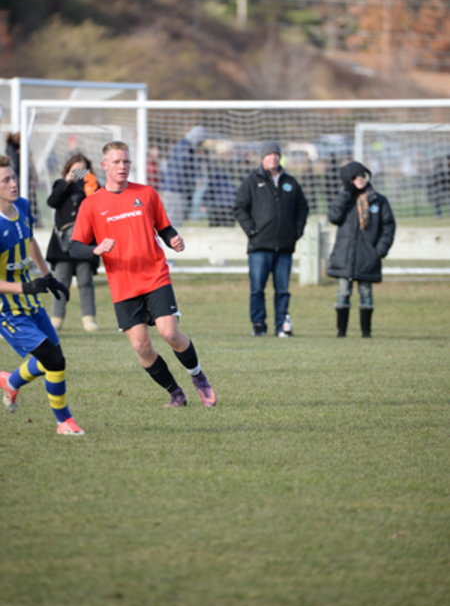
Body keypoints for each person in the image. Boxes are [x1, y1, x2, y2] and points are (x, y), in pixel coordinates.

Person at [69, 141, 216, 408]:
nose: (122, 166)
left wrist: (174, 240)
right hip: (123, 284)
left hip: (155, 276)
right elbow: (74, 247)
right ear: (104, 165)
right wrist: (95, 249)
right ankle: (175, 393)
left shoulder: (146, 193)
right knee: (141, 347)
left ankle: (198, 376)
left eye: (126, 161)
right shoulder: (92, 204)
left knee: (170, 333)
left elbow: (165, 228)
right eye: (116, 162)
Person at [0, 155, 84, 435]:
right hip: (6, 309)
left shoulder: (23, 206)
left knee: (52, 357)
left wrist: (47, 276)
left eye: (13, 177)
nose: (13, 184)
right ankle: (64, 421)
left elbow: (29, 239)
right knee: (54, 360)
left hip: (30, 300)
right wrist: (24, 287)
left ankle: (11, 382)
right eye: (5, 180)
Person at [234, 140, 309, 337]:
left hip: (284, 247)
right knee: (257, 289)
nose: (273, 158)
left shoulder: (290, 182)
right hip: (259, 246)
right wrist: (252, 230)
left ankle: (282, 325)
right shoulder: (252, 181)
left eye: (276, 154)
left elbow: (303, 208)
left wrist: (296, 231)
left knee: (283, 290)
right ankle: (258, 325)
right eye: (269, 154)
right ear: (262, 158)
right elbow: (240, 208)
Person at [327, 160, 396, 338]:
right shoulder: (344, 199)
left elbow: (388, 226)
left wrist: (379, 250)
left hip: (368, 257)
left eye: (363, 175)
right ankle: (341, 332)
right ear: (348, 179)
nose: (360, 179)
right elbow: (334, 217)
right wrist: (345, 195)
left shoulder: (378, 200)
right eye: (355, 176)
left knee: (366, 292)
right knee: (343, 292)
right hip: (345, 256)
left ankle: (366, 332)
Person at [46, 153, 100, 332]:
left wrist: (91, 185)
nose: (78, 173)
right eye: (75, 170)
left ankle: (89, 318)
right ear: (68, 169)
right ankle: (56, 318)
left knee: (85, 280)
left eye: (82, 170)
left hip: (85, 239)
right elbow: (52, 202)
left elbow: (98, 206)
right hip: (63, 240)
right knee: (62, 280)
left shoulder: (92, 186)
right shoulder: (60, 184)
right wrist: (67, 182)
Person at [162, 125, 207, 227]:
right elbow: (181, 171)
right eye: (200, 142)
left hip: (177, 191)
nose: (201, 145)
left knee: (176, 222)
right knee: (174, 224)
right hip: (176, 192)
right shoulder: (184, 148)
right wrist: (190, 185)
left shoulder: (186, 147)